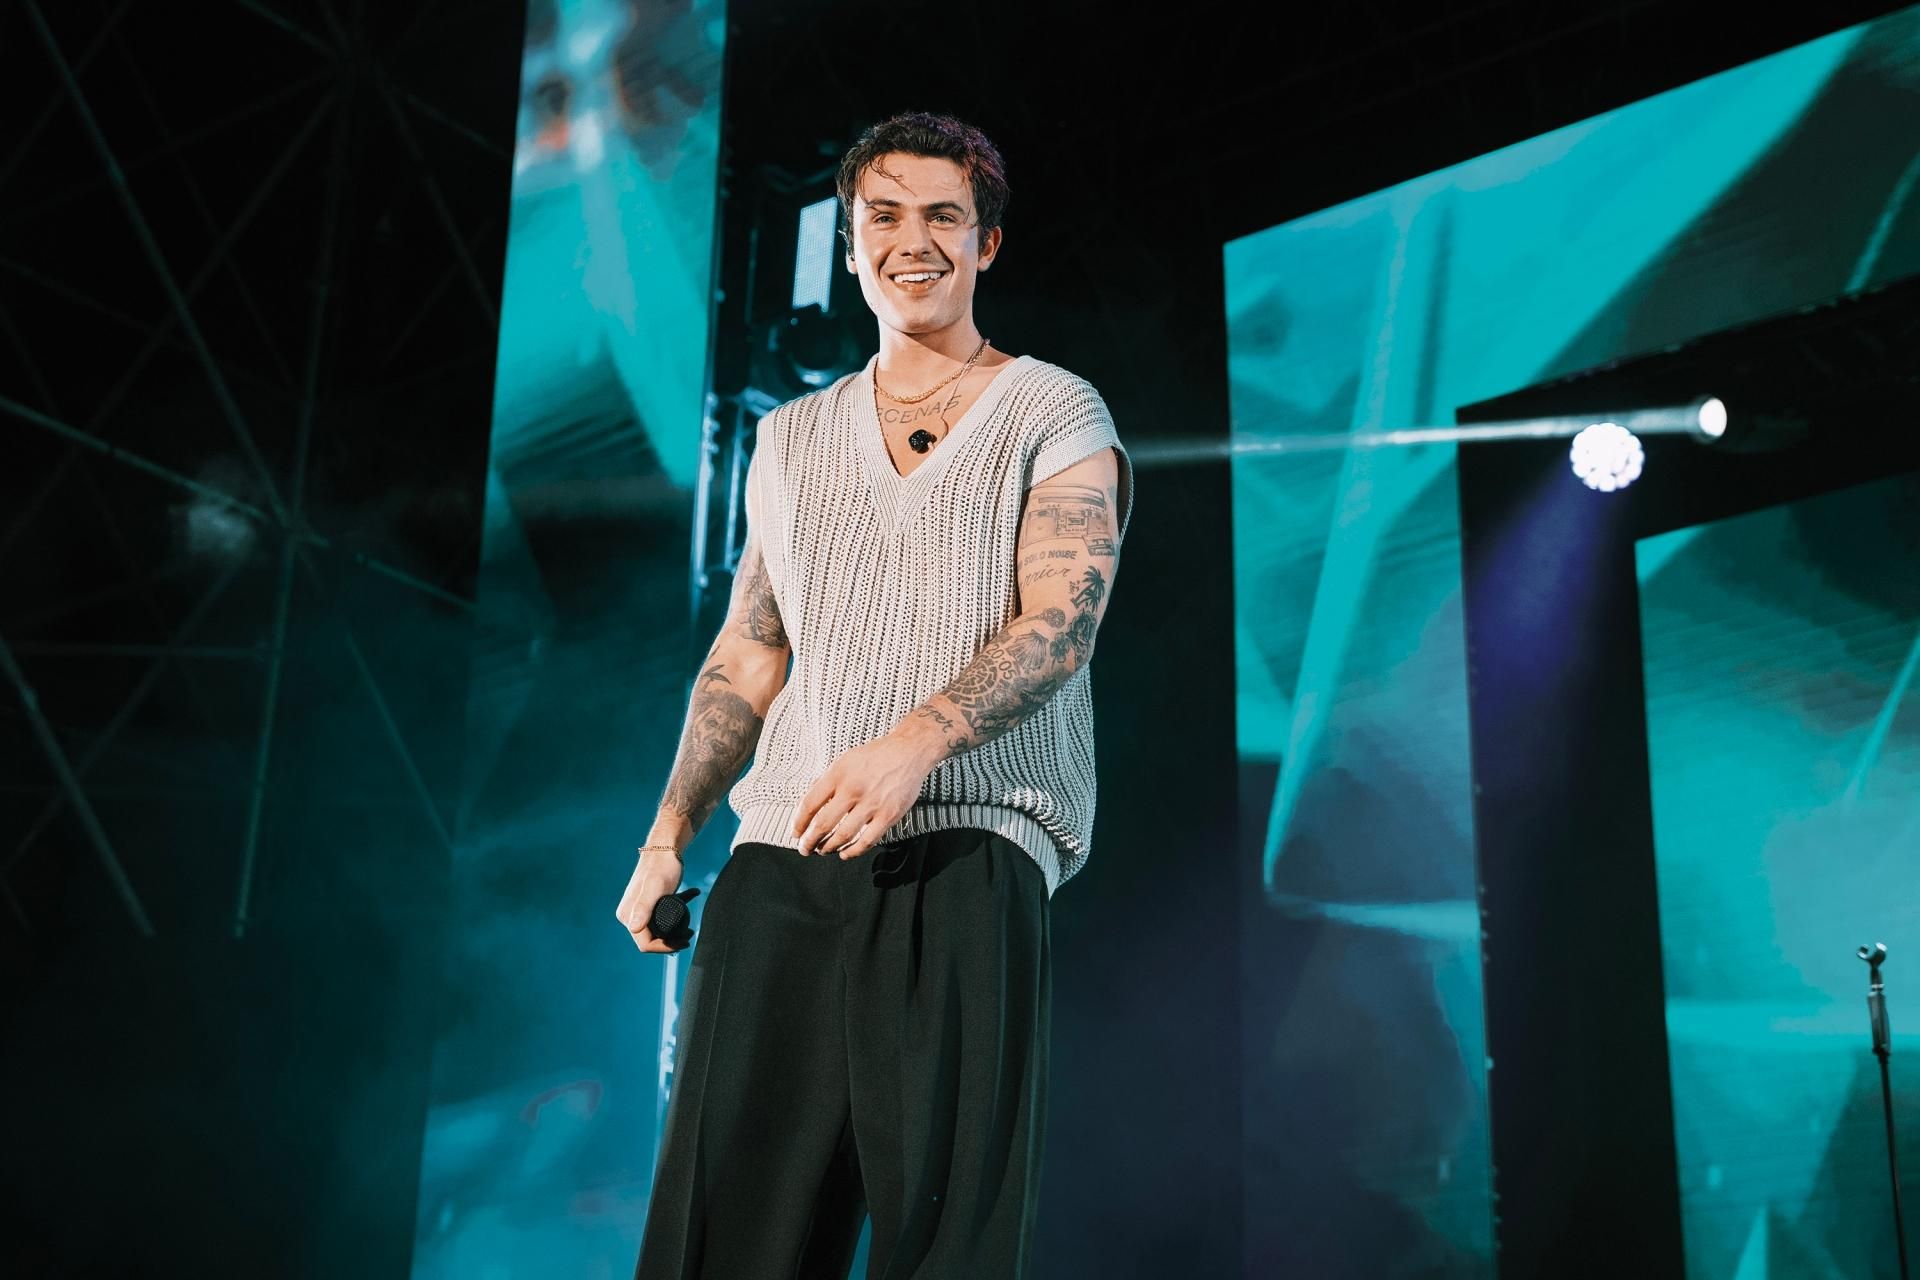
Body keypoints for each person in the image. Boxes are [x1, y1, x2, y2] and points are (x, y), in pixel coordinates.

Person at [619, 109, 1134, 1278]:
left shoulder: (1054, 409)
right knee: (720, 1238)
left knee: (950, 1243)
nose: (914, 240)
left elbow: (1063, 619)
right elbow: (749, 652)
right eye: (884, 217)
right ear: (851, 245)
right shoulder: (790, 438)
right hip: (781, 859)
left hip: (968, 856)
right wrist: (666, 839)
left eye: (944, 216)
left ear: (985, 243)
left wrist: (916, 744)